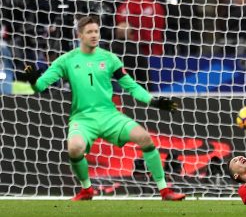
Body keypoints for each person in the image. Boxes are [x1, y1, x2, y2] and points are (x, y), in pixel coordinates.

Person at [23, 15, 186, 201]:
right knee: (74, 148)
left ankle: (165, 191)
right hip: (82, 118)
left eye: (96, 31)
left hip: (110, 116)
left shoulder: (109, 59)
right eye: (89, 32)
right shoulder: (66, 60)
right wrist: (33, 81)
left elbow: (131, 86)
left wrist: (154, 102)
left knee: (145, 138)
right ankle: (86, 189)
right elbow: (41, 86)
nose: (94, 35)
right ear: (80, 35)